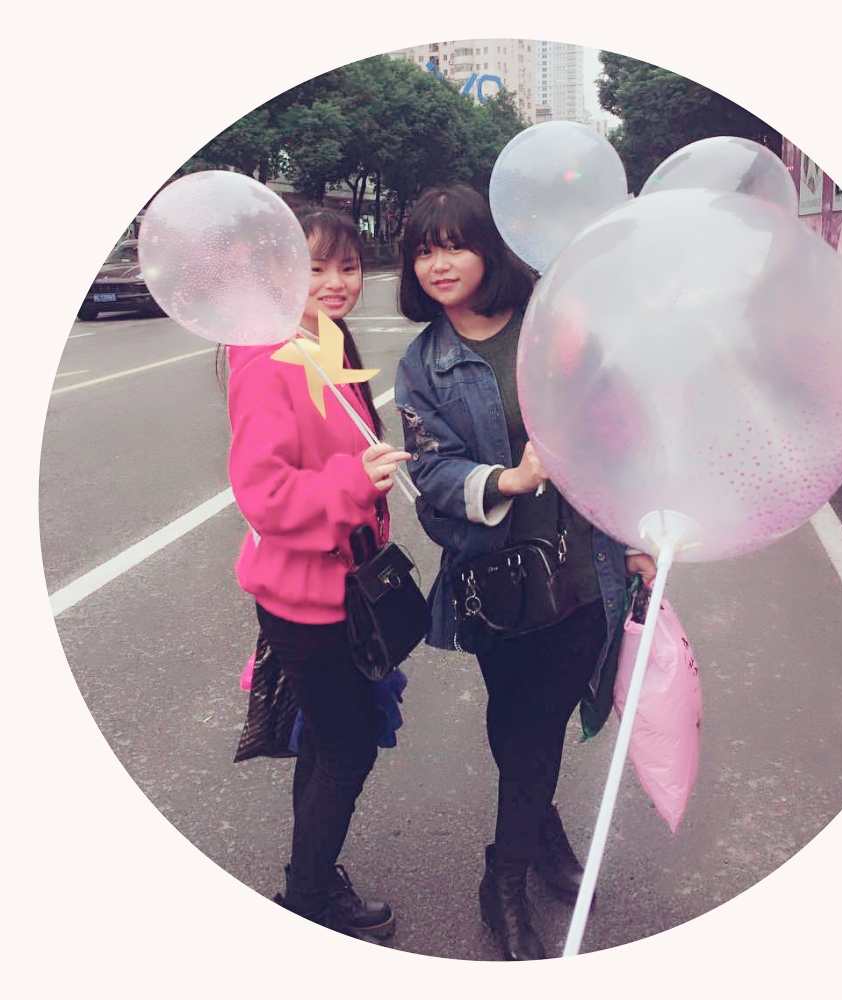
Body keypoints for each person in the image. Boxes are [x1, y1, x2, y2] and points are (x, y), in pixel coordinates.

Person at [394, 185, 655, 961]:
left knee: (537, 722)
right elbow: (431, 474)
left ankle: (503, 876)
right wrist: (507, 479)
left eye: (455, 245)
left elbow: (616, 432)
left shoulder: (553, 324)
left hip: (585, 567)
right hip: (498, 582)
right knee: (517, 718)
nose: (440, 264)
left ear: (489, 248)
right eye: (424, 251)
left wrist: (636, 531)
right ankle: (538, 837)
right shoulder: (425, 365)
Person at [227, 209, 410, 936]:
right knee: (347, 746)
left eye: (349, 267)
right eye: (315, 269)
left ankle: (309, 875)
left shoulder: (324, 344)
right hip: (305, 600)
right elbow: (266, 496)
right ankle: (305, 900)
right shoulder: (267, 360)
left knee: (332, 741)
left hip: (342, 585)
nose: (336, 283)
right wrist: (354, 482)